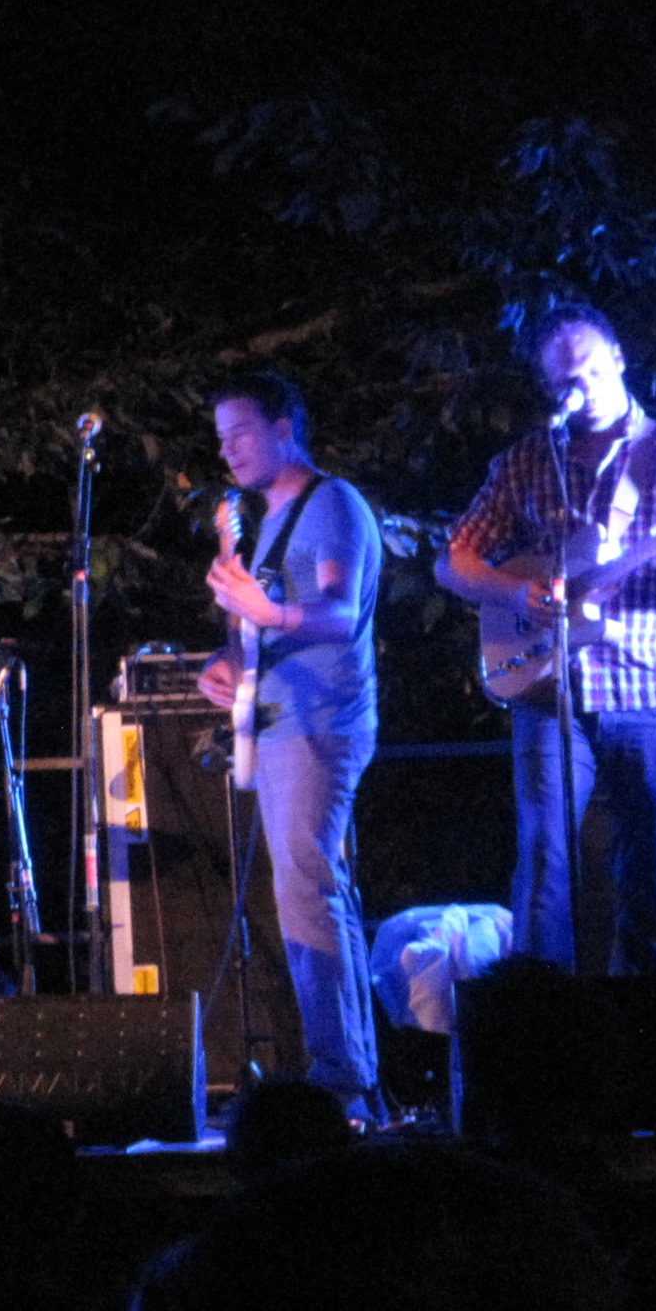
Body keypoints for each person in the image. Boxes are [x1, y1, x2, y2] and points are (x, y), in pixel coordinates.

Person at [439, 303, 656, 975]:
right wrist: (515, 593)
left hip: (653, 684)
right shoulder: (526, 463)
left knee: (652, 878)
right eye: (562, 383)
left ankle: (643, 1028)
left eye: (588, 372)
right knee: (544, 868)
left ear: (617, 359)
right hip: (550, 689)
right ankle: (542, 1017)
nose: (578, 390)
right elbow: (453, 561)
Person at [193, 372, 385, 1122]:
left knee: (307, 892)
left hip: (322, 722)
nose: (228, 450)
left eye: (241, 432)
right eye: (221, 438)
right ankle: (350, 1071)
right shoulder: (271, 520)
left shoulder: (330, 503)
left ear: (284, 428)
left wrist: (262, 610)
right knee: (311, 890)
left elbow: (337, 614)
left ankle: (341, 1082)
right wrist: (231, 662)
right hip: (283, 722)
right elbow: (272, 625)